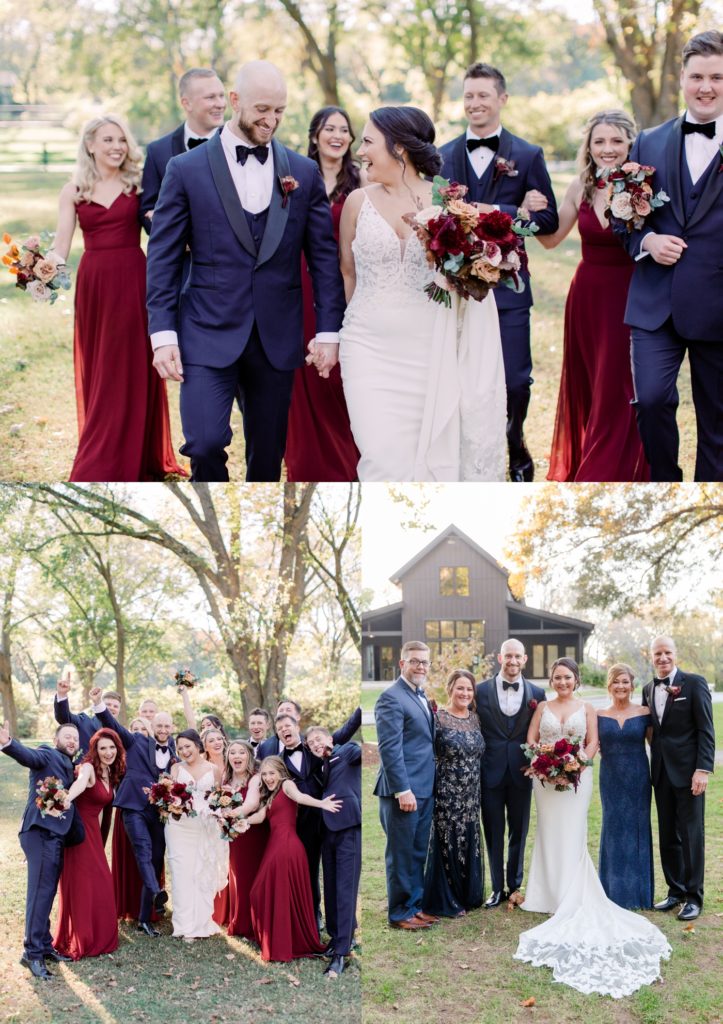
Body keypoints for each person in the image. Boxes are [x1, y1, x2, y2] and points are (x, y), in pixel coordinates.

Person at [147, 60, 345, 482]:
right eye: (262, 109)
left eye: (280, 111)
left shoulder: (302, 173)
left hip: (276, 338)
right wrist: (162, 335)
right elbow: (162, 257)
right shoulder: (185, 170)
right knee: (203, 442)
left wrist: (329, 331)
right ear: (234, 101)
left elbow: (324, 259)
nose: (270, 120)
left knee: (267, 457)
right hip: (206, 329)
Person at [337, 106, 506, 481]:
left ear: (399, 148)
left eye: (367, 142)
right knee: (381, 459)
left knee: (428, 461)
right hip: (367, 350)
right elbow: (347, 274)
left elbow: (470, 279)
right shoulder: (356, 203)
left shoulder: (449, 206)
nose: (360, 151)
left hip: (431, 351)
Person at [515, 658, 671, 998]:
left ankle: (573, 892)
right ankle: (546, 893)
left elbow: (592, 746)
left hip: (576, 780)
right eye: (557, 677)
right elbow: (530, 742)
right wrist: (544, 766)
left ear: (577, 680)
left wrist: (573, 765)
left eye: (567, 677)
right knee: (547, 835)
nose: (562, 682)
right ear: (552, 679)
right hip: (544, 782)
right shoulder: (542, 706)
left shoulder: (587, 708)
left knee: (572, 835)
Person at [439, 62, 559, 482]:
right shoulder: (443, 155)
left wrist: (500, 213)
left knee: (515, 380)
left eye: (483, 95)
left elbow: (547, 222)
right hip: (456, 287)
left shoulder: (527, 156)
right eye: (469, 95)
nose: (475, 103)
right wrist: (512, 210)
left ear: (502, 99)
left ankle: (515, 437)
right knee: (461, 380)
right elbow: (436, 217)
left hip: (509, 287)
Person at [49, 114, 185, 482]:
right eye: (108, 140)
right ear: (90, 145)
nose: (116, 147)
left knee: (133, 365)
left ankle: (139, 452)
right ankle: (102, 453)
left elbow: (161, 228)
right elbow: (61, 247)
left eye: (121, 140)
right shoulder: (73, 190)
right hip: (94, 285)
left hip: (134, 280)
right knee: (103, 367)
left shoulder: (137, 187)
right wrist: (40, 269)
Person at [623, 30, 723, 481]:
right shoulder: (647, 141)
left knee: (718, 425)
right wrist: (647, 242)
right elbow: (623, 218)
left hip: (718, 304)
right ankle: (665, 482)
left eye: (718, 77)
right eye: (698, 76)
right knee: (651, 398)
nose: (706, 87)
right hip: (655, 303)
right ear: (681, 78)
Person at [537, 111, 649, 482]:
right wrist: (531, 213)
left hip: (629, 294)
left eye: (616, 141)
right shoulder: (579, 186)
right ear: (588, 146)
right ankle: (589, 459)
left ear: (630, 144)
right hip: (585, 296)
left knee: (618, 383)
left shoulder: (644, 186)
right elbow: (551, 241)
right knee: (592, 379)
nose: (607, 149)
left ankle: (606, 468)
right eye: (599, 141)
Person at [284, 106, 361, 482]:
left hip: (347, 281)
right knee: (303, 370)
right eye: (329, 128)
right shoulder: (295, 174)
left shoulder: (361, 182)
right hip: (300, 280)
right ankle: (307, 457)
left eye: (344, 130)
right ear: (315, 134)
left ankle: (348, 456)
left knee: (341, 373)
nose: (337, 135)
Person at [0, 721, 83, 980]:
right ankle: (32, 953)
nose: (72, 741)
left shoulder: (71, 765)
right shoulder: (48, 754)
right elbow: (29, 756)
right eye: (67, 736)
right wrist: (8, 743)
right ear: (56, 739)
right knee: (40, 892)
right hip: (39, 831)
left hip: (55, 835)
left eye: (75, 738)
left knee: (46, 892)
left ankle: (45, 945)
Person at [643, 635, 715, 921]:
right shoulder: (648, 688)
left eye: (667, 652)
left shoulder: (694, 683)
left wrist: (702, 769)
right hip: (660, 773)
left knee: (691, 835)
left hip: (689, 774)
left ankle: (694, 897)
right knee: (667, 835)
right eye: (657, 653)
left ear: (676, 654)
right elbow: (652, 731)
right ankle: (675, 891)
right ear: (651, 657)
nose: (663, 658)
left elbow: (706, 730)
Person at [92, 690, 176, 935]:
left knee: (156, 857)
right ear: (152, 725)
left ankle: (144, 918)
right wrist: (98, 704)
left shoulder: (174, 754)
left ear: (171, 728)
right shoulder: (136, 741)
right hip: (133, 807)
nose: (162, 729)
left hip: (159, 812)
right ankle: (156, 892)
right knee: (143, 850)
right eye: (158, 724)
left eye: (166, 725)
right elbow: (112, 723)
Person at [244, 756, 341, 962]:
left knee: (265, 890)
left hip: (287, 846)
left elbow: (300, 797)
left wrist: (321, 803)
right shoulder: (270, 795)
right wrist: (236, 822)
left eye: (272, 773)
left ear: (281, 773)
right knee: (262, 892)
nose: (269, 778)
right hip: (276, 846)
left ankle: (284, 943)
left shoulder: (287, 785)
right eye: (265, 774)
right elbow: (260, 817)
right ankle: (279, 939)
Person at [475, 639, 546, 907]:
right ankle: (496, 888)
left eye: (518, 657)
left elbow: (544, 731)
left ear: (525, 659)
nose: (513, 661)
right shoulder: (480, 691)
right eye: (508, 656)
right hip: (489, 771)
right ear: (499, 657)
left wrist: (538, 762)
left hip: (521, 773)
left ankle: (515, 886)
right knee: (493, 831)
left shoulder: (537, 693)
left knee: (519, 830)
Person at [373, 641, 437, 929]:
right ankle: (399, 913)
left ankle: (414, 905)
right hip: (403, 791)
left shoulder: (419, 696)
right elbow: (389, 749)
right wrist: (403, 790)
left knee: (417, 851)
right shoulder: (391, 698)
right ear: (402, 664)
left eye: (424, 662)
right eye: (414, 661)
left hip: (424, 788)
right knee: (400, 853)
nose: (420, 666)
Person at [53, 729, 125, 959]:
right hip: (78, 833)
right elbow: (81, 783)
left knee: (100, 882)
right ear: (95, 750)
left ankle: (99, 934)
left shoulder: (110, 772)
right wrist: (66, 798)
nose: (108, 752)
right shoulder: (88, 768)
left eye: (112, 747)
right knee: (83, 884)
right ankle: (81, 937)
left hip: (93, 834)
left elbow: (103, 811)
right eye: (103, 748)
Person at [422, 669, 485, 917]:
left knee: (468, 834)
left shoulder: (476, 718)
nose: (465, 693)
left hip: (472, 792)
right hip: (447, 789)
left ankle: (467, 894)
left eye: (469, 689)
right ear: (450, 689)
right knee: (448, 837)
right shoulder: (437, 718)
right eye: (460, 688)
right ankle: (447, 898)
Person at [140, 68, 226, 232]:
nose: (220, 103)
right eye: (210, 97)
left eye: (221, 95)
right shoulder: (157, 151)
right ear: (187, 103)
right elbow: (147, 212)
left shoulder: (240, 146)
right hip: (181, 256)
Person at [596, 663, 654, 909]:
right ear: (609, 686)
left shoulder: (644, 713)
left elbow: (657, 746)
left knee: (637, 829)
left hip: (638, 779)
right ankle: (611, 892)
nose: (621, 686)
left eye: (625, 682)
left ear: (632, 685)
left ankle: (639, 895)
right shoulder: (599, 715)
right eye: (616, 682)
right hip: (610, 779)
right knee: (613, 829)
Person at [306, 725, 361, 978]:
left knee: (345, 890)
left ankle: (341, 954)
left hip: (348, 827)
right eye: (311, 743)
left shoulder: (347, 751)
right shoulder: (319, 766)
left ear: (330, 739)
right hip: (326, 831)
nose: (315, 744)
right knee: (331, 889)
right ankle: (338, 938)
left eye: (319, 739)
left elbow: (357, 746)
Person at [165, 729, 228, 940]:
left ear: (197, 745)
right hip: (178, 827)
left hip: (204, 827)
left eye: (187, 746)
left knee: (200, 872)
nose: (184, 751)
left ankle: (201, 922)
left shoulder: (215, 770)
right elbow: (168, 795)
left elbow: (219, 799)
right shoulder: (175, 768)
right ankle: (183, 925)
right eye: (180, 748)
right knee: (181, 873)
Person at [225, 741, 268, 940]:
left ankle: (253, 924)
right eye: (232, 752)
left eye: (241, 752)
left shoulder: (256, 778)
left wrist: (229, 815)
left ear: (249, 756)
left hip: (253, 834)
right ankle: (240, 921)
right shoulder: (226, 779)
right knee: (237, 876)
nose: (236, 756)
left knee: (250, 876)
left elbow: (251, 804)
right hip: (234, 836)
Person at [53, 672, 122, 754]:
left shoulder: (121, 732)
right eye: (108, 705)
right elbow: (64, 718)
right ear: (99, 705)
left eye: (115, 706)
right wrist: (62, 694)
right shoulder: (84, 721)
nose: (112, 708)